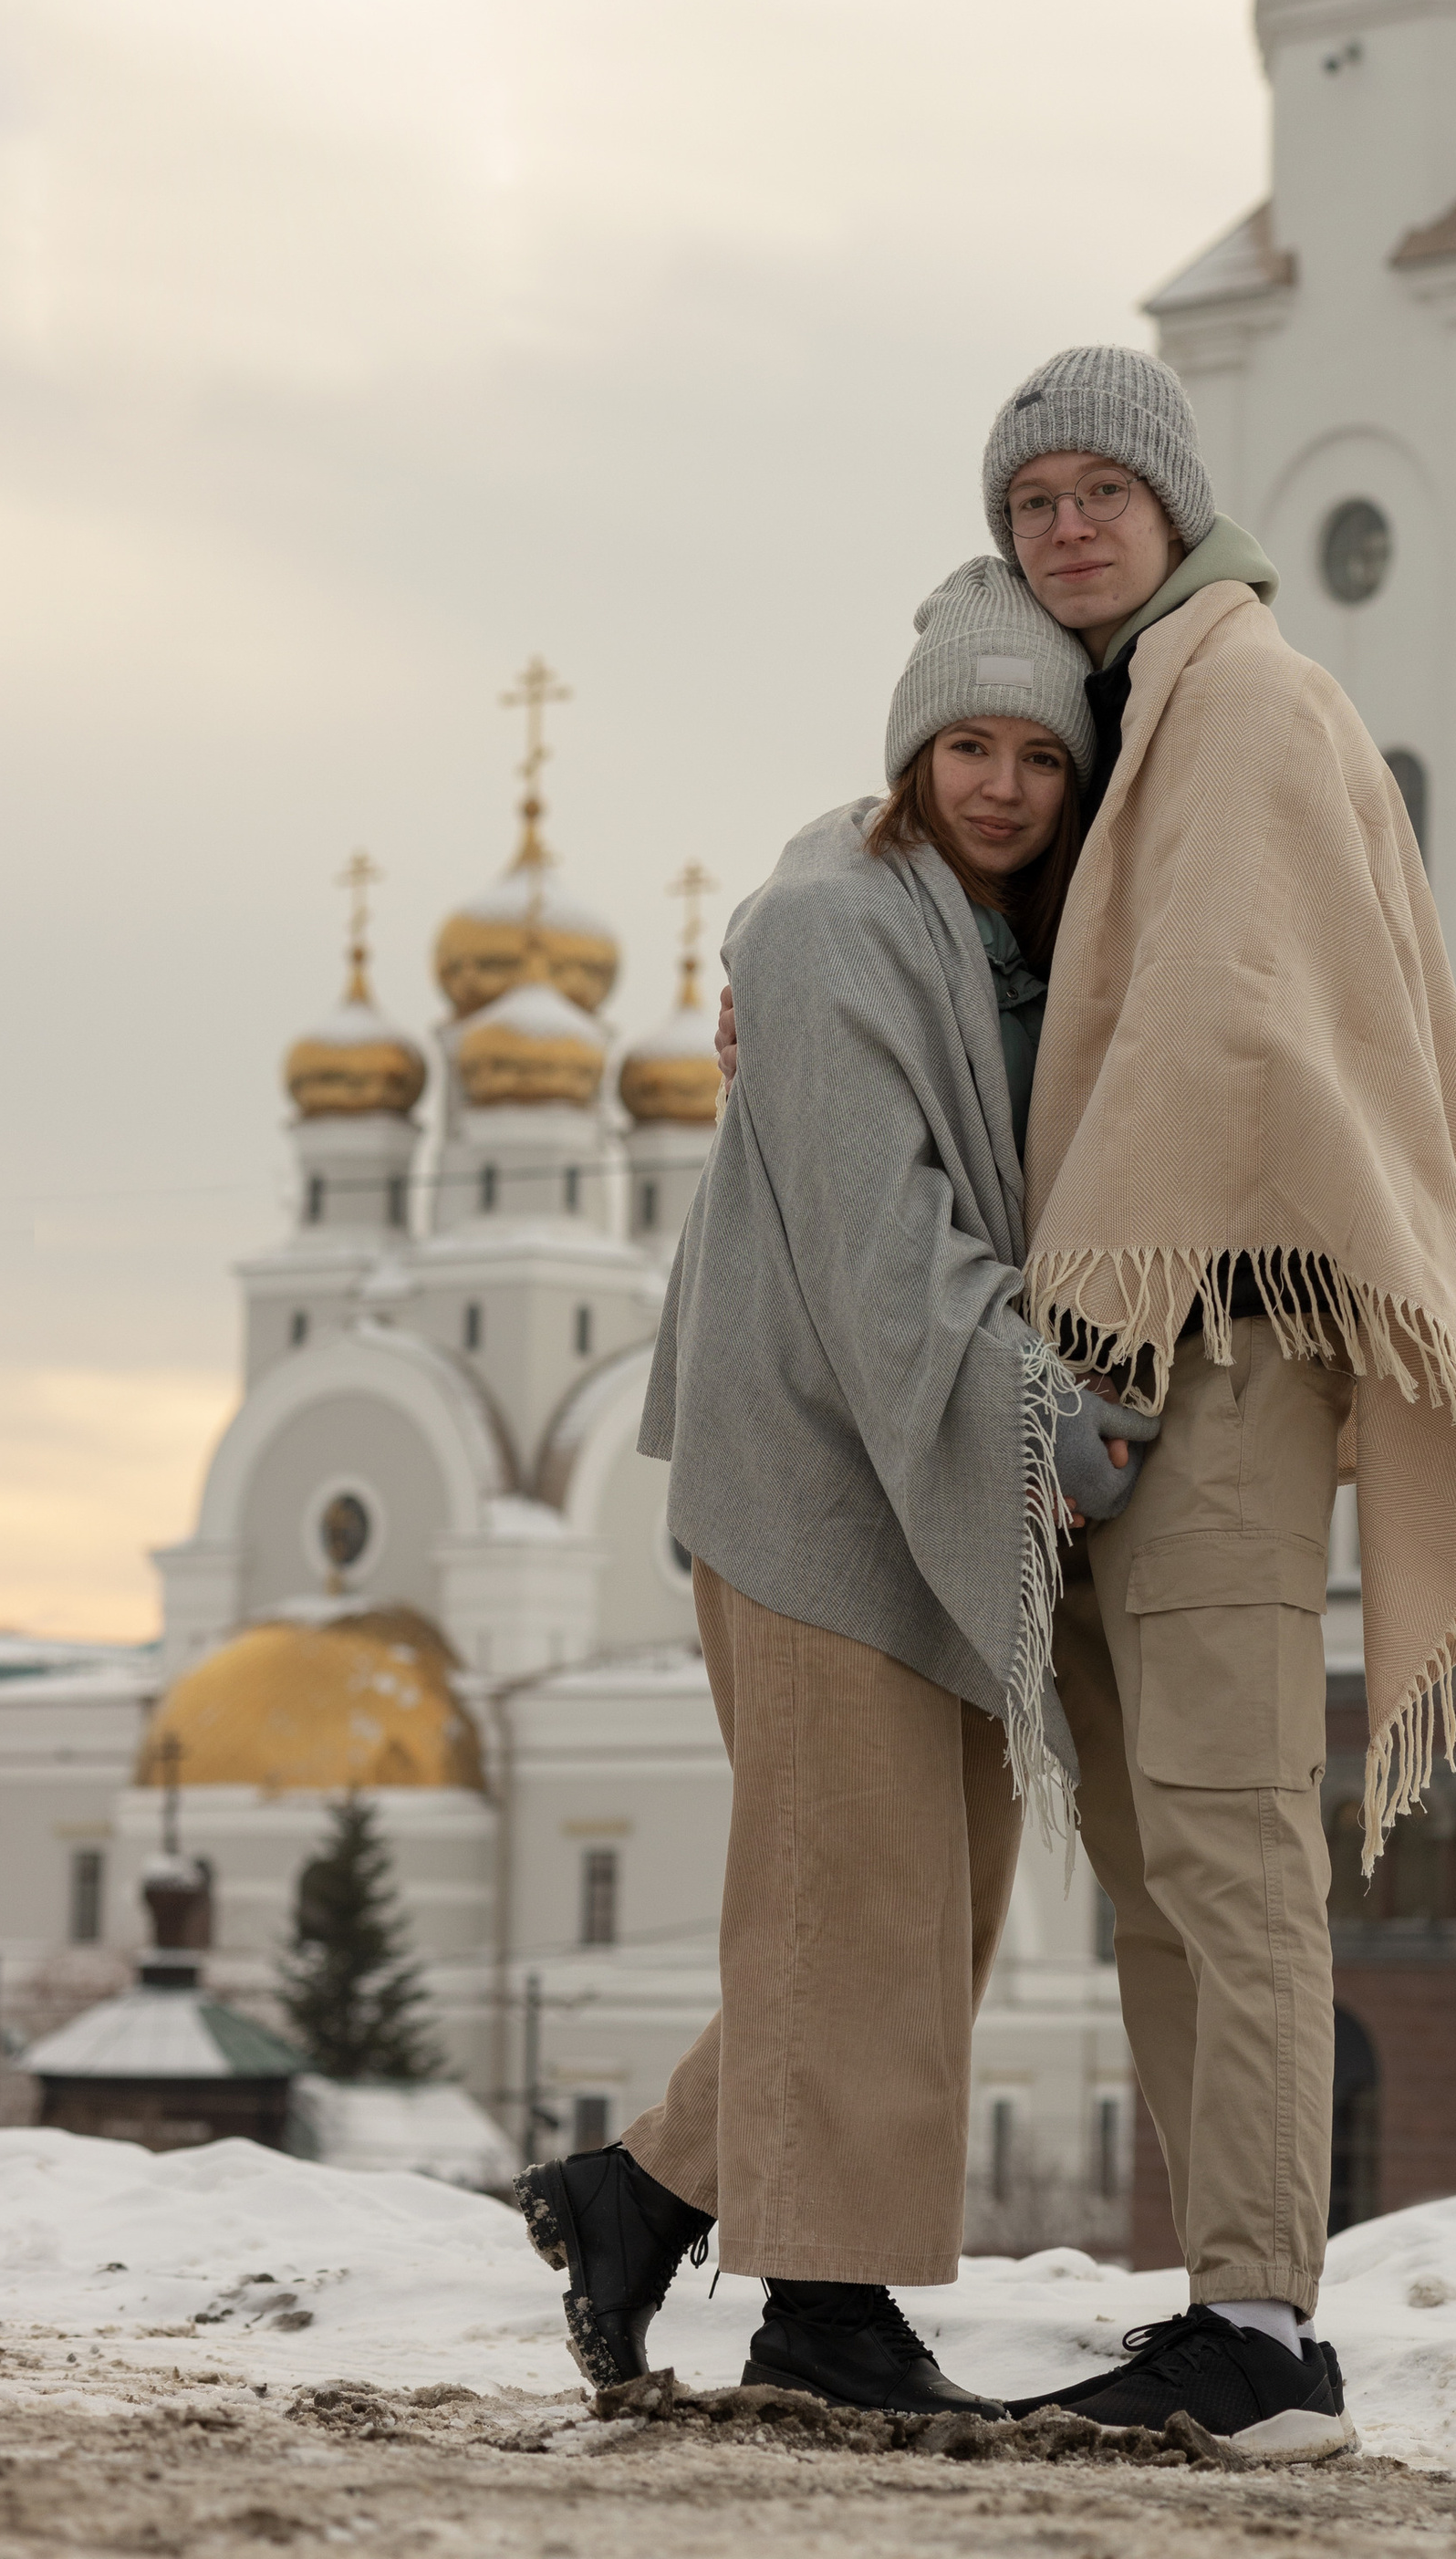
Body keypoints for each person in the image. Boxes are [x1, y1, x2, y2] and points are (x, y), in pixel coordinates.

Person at [975, 346, 1456, 2454]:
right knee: (1155, 1860)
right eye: (1027, 501)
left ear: (1170, 503)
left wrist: (1087, 1332)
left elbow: (1222, 1046)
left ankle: (1258, 2326)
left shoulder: (1234, 704)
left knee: (1230, 1848)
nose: (1065, 526)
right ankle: (1225, 2299)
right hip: (1120, 1366)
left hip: (1209, 1353)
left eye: (1095, 490)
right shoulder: (1129, 715)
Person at [514, 557, 1156, 2416]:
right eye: (968, 744)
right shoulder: (828, 926)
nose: (1003, 787)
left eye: (1041, 756)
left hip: (906, 1461)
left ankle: (638, 2195)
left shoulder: (987, 936)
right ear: (910, 747)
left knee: (908, 1894)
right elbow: (886, 1249)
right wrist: (1041, 1410)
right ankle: (824, 2302)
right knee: (850, 1890)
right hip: (810, 1462)